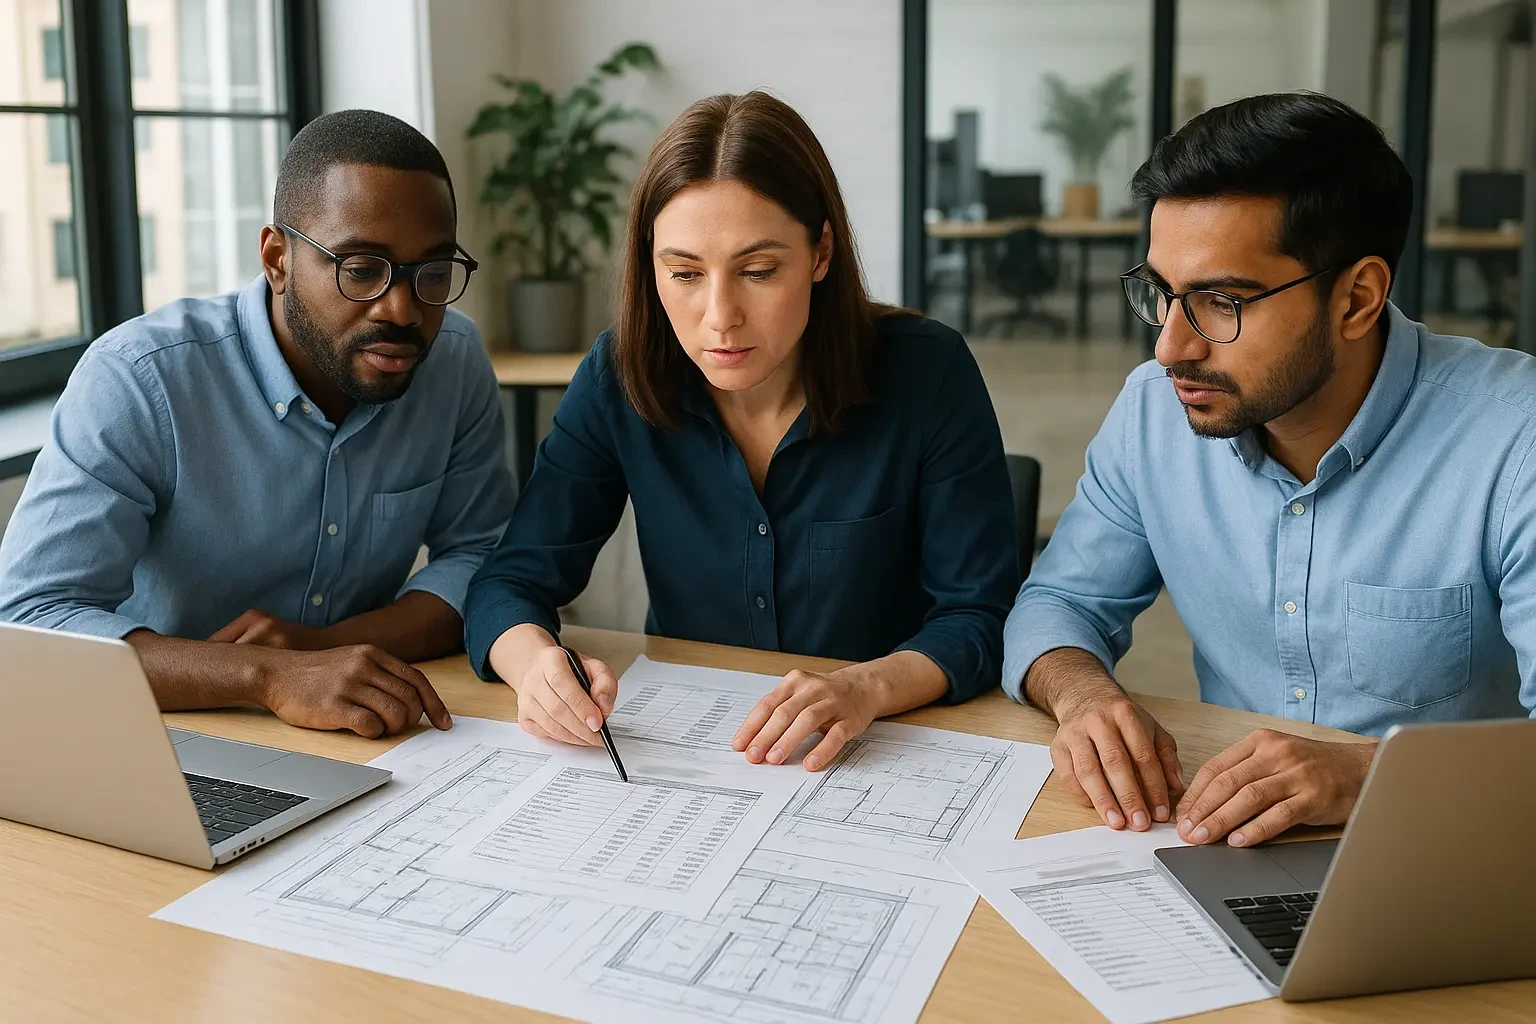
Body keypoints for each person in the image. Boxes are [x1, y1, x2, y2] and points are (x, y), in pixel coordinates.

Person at [1005, 92, 1536, 849]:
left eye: (1222, 300)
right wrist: (1084, 695)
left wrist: (1362, 777)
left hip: (1451, 849)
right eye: (1163, 294)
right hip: (1224, 844)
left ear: (1357, 298)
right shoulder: (1154, 413)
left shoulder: (1516, 439)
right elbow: (1056, 604)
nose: (1170, 348)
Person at [464, 91, 1016, 771]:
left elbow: (981, 615)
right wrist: (535, 665)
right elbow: (510, 581)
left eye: (758, 271)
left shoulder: (927, 372)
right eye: (685, 273)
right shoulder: (618, 374)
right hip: (690, 753)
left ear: (821, 252)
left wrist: (865, 685)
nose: (720, 315)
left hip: (887, 749)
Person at [0, 109, 514, 739]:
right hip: (152, 738)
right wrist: (264, 674)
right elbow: (29, 623)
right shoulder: (139, 379)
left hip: (354, 727)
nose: (402, 309)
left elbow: (485, 558)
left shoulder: (453, 361)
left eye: (431, 274)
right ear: (277, 259)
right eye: (361, 270)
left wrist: (324, 649)